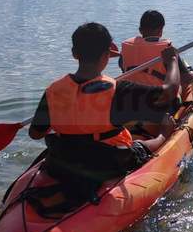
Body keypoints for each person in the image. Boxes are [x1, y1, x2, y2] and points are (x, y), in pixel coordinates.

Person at [29, 22, 180, 194]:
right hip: (108, 162)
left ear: (74, 53)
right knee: (147, 140)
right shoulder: (118, 91)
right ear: (107, 55)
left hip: (62, 160)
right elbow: (169, 92)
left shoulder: (53, 90)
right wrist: (172, 62)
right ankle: (162, 137)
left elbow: (36, 134)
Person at [119, 11, 193, 134]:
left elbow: (123, 67)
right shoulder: (167, 50)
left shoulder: (127, 48)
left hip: (132, 102)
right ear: (161, 30)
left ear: (140, 30)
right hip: (159, 105)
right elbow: (185, 78)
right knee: (178, 90)